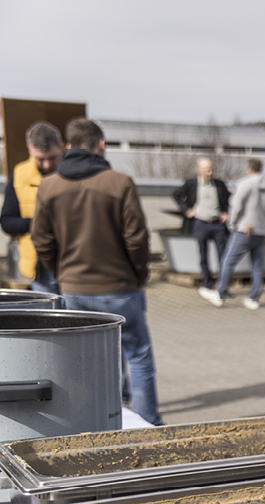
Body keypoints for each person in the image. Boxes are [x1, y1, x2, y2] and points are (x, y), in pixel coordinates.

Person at [30, 118, 163, 425]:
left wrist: (62, 274)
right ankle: (148, 426)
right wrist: (139, 275)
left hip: (74, 289)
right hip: (119, 288)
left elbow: (42, 240)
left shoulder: (49, 186)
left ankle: (96, 423)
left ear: (67, 146)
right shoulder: (119, 183)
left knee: (90, 361)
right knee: (138, 356)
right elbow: (137, 238)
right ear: (101, 144)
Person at [203, 158, 265, 309]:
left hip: (245, 230)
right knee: (257, 265)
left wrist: (232, 224)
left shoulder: (245, 184)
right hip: (261, 231)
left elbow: (236, 205)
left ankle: (220, 293)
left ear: (249, 169)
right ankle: (253, 298)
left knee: (228, 261)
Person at [2, 122, 63, 294]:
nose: (46, 165)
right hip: (39, 266)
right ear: (30, 151)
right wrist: (39, 223)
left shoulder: (73, 172)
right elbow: (7, 222)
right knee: (47, 318)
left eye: (52, 158)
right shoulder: (20, 174)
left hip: (72, 262)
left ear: (62, 148)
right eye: (40, 159)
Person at [173, 157, 230, 294]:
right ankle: (207, 283)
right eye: (206, 170)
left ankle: (222, 287)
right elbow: (176, 194)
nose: (209, 173)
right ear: (199, 170)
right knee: (203, 255)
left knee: (223, 256)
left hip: (217, 225)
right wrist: (186, 210)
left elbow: (228, 199)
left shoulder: (219, 184)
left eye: (210, 170)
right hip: (200, 223)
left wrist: (226, 213)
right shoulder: (192, 183)